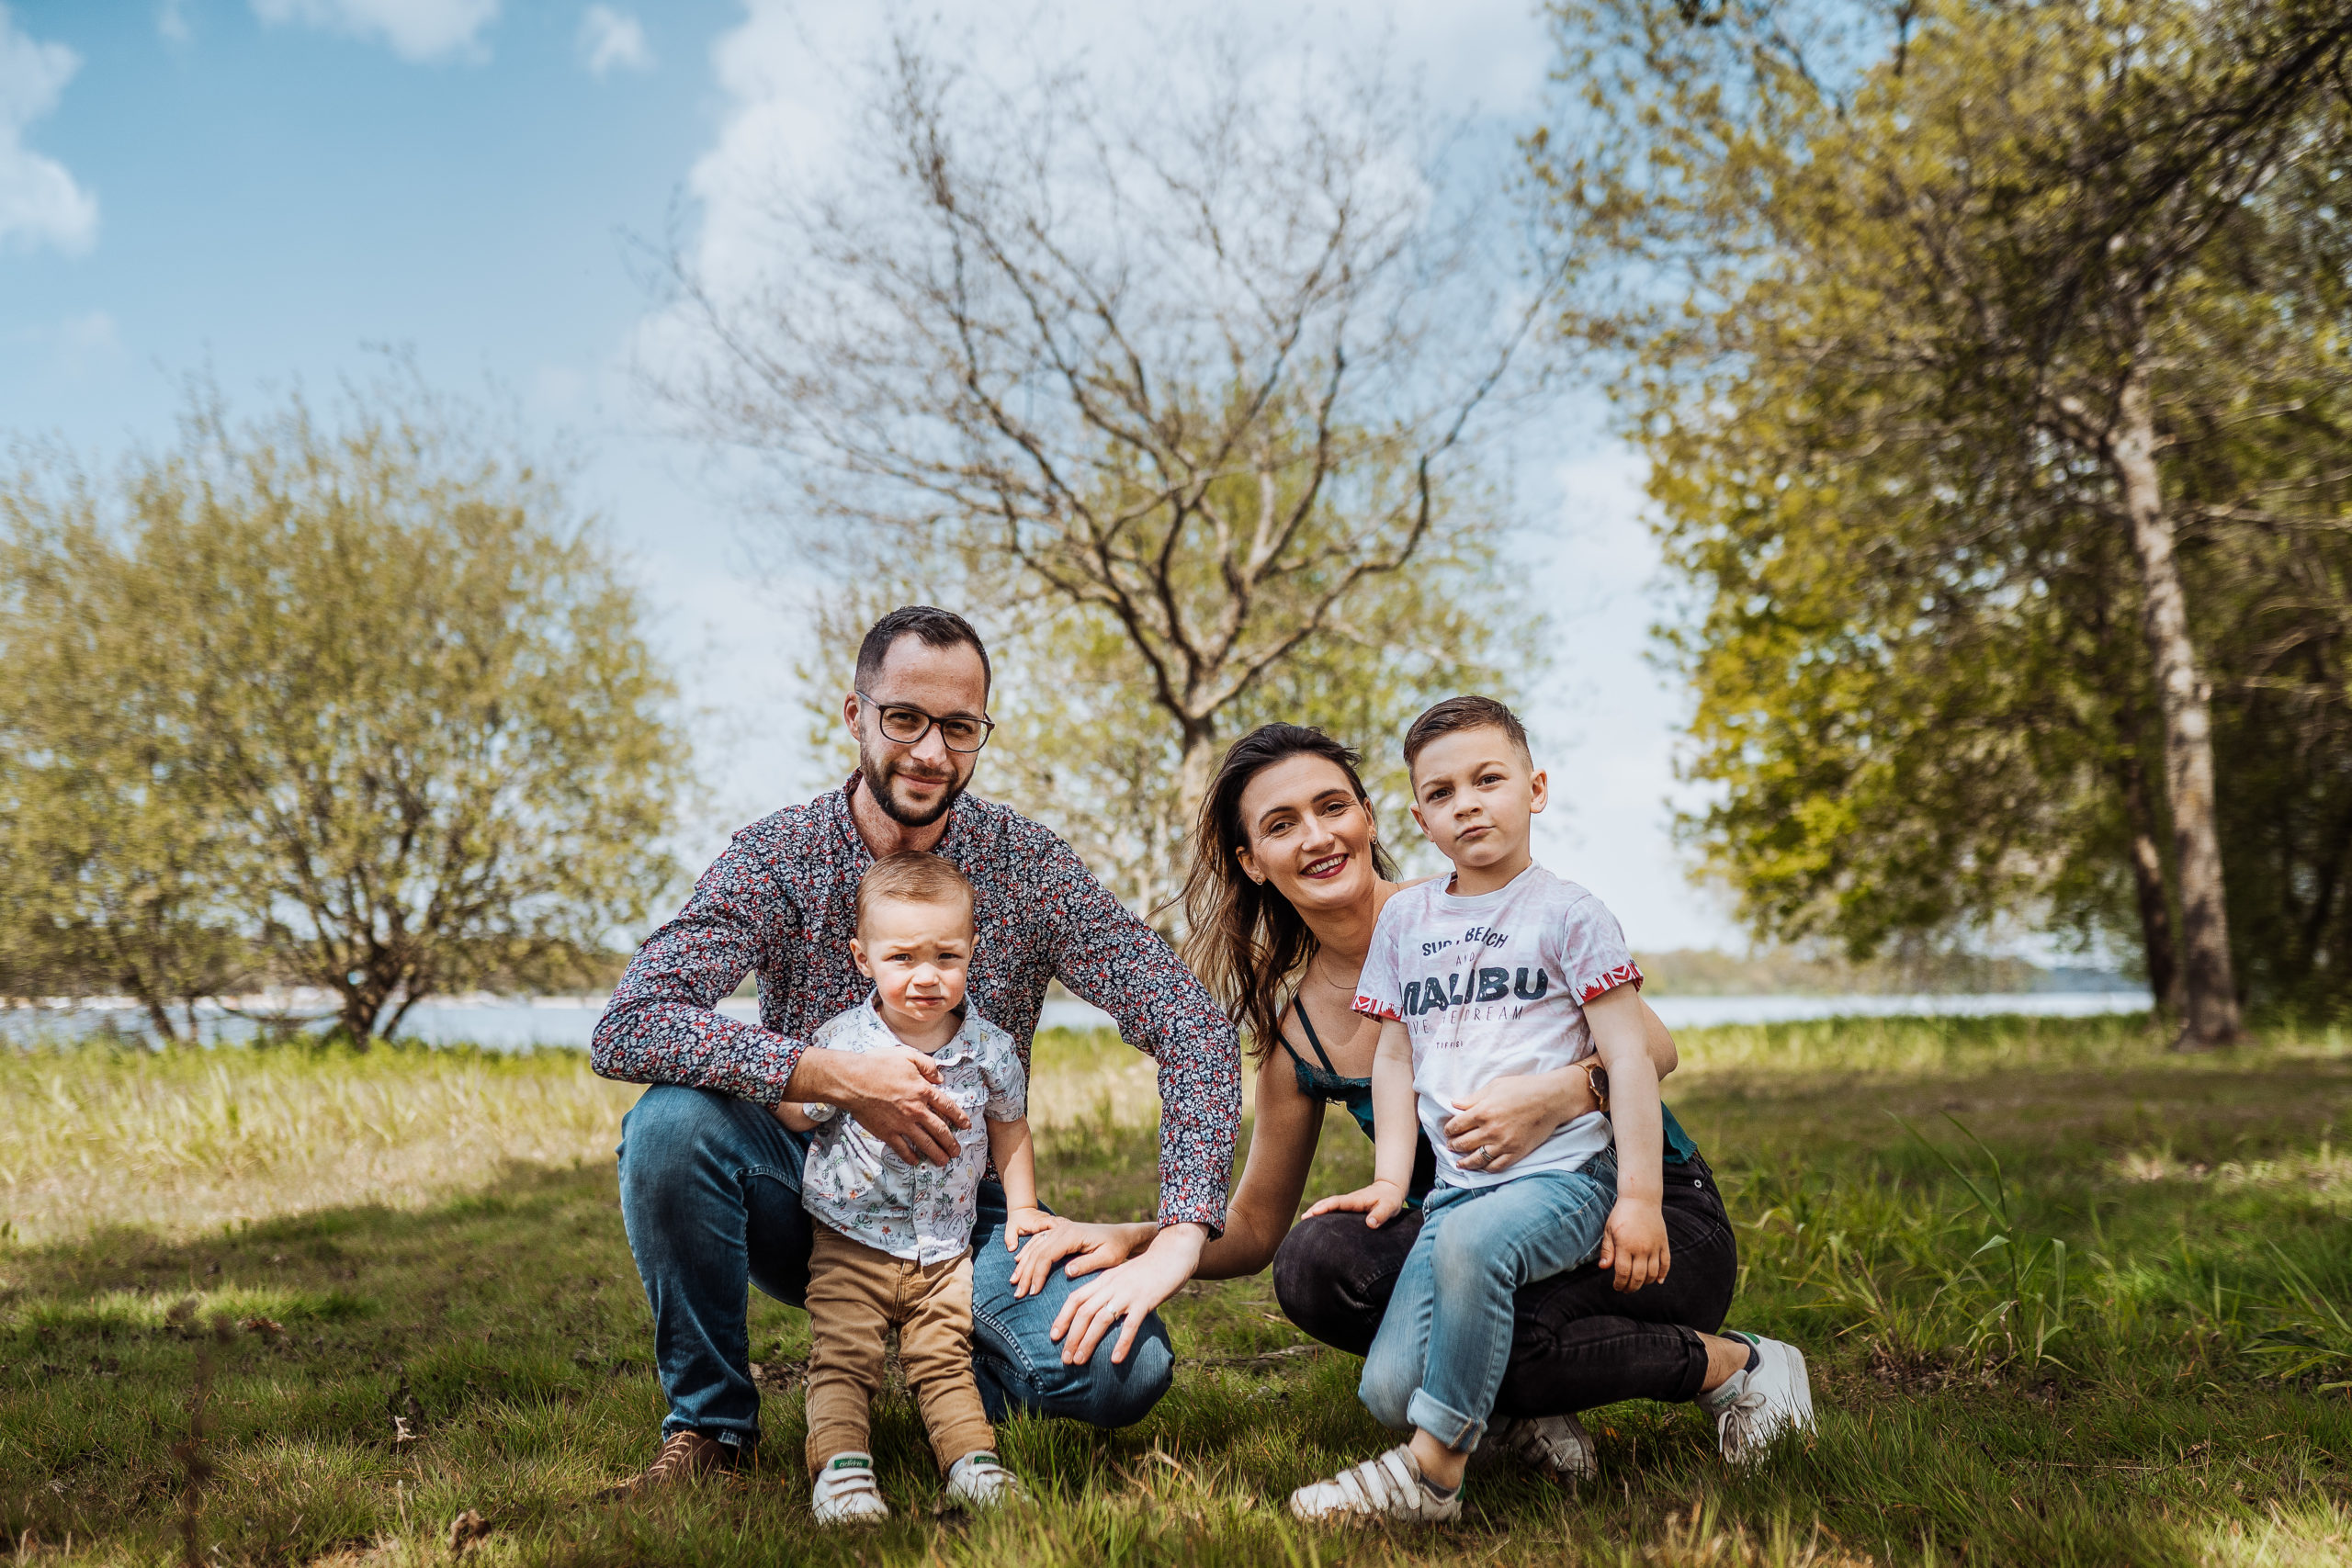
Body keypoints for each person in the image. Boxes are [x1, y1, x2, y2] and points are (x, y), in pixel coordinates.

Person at [1011, 718, 1810, 1488]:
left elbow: (1656, 1046)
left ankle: (1740, 1363)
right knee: (1317, 1263)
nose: (1318, 837)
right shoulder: (1302, 1036)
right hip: (1476, 1230)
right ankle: (1508, 1412)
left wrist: (1558, 1093)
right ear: (1253, 861)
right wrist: (1138, 1236)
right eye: (1283, 825)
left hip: (1643, 1220)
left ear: (1368, 815)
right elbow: (1255, 1229)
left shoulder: (1475, 902)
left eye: (1332, 807)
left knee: (1500, 1329)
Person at [591, 606, 1240, 1495]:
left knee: (1122, 1372)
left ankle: (946, 1369)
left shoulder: (1028, 866)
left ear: (980, 734)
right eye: (905, 718)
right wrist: (842, 1079)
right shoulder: (779, 856)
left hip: (968, 1205)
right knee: (669, 1126)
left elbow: (1191, 1022)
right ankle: (711, 1427)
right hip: (814, 1191)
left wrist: (1182, 1228)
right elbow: (631, 1022)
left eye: (959, 726)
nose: (931, 750)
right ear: (856, 716)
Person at [1287, 695, 1805, 1523]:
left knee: (1473, 1250)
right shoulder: (1406, 924)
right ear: (1418, 817)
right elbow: (1393, 1054)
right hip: (1461, 1188)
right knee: (1388, 1386)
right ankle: (1478, 1420)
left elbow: (1634, 1056)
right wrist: (1391, 1184)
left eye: (1488, 779)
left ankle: (1433, 1474)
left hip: (1568, 1176)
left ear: (1535, 788)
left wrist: (1636, 1197)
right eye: (1444, 792)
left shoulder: (1570, 914)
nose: (1469, 803)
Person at [776, 852, 1042, 1524]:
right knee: (843, 1356)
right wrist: (812, 1094)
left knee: (943, 1358)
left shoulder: (990, 1048)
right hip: (850, 1239)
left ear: (972, 951)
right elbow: (794, 1108)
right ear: (863, 958)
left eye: (946, 956)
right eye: (901, 958)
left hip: (944, 1247)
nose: (926, 976)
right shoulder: (843, 1042)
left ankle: (970, 1462)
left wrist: (1025, 1206)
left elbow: (1010, 1127)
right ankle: (841, 1470)